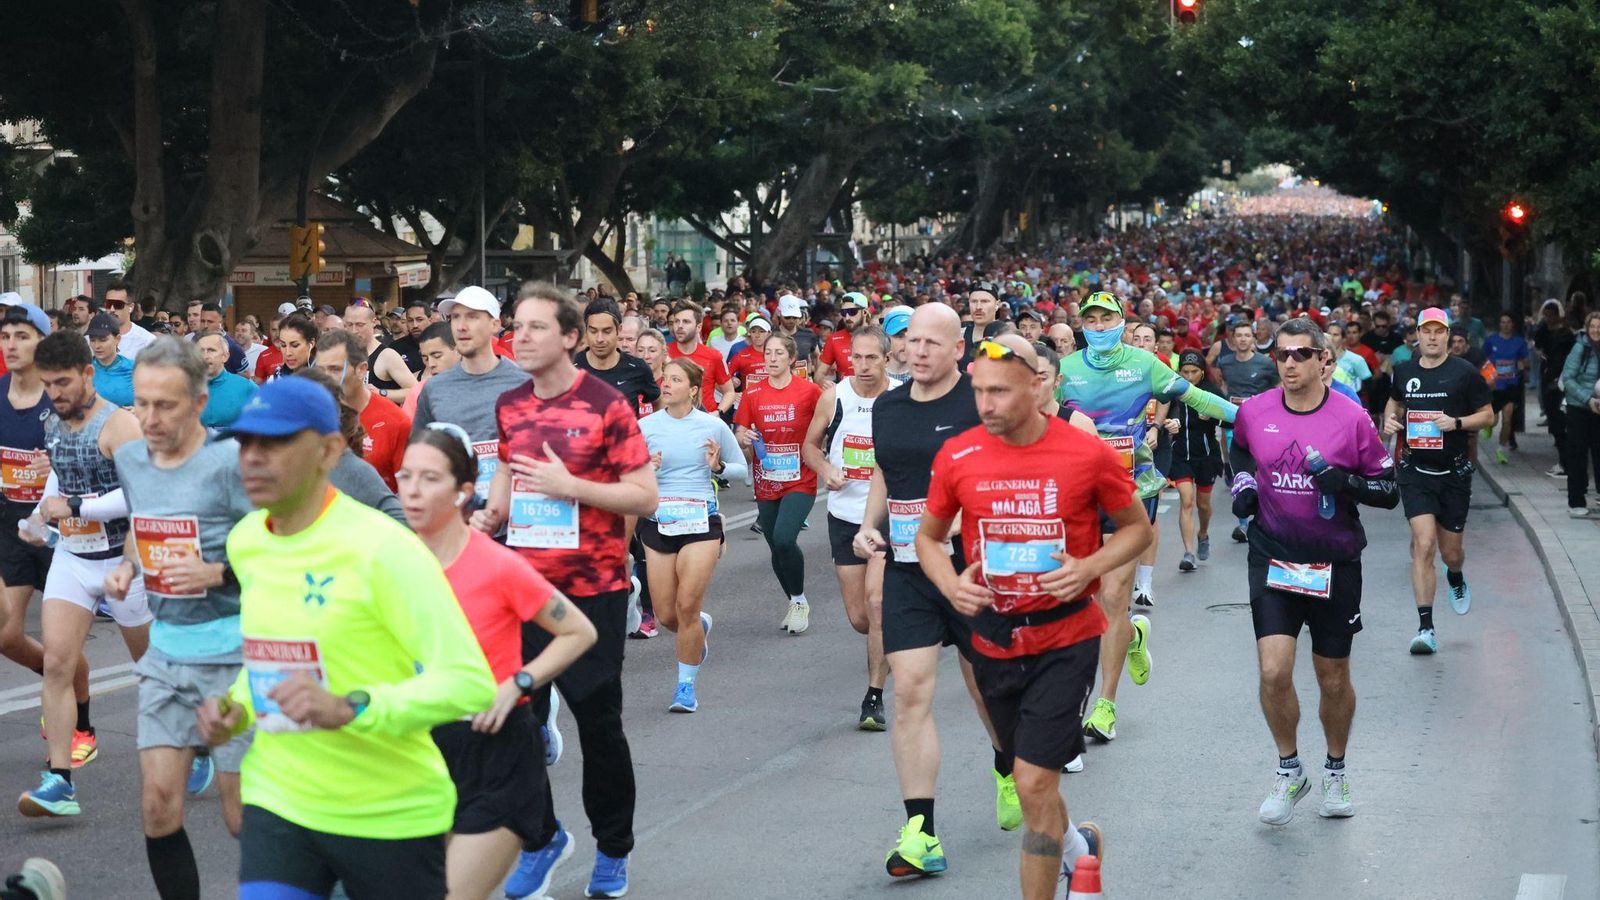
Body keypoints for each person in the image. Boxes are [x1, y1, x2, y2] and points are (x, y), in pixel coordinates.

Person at [194, 377, 496, 900]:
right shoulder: (247, 543)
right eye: (245, 443)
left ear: (329, 450)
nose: (253, 458)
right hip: (280, 797)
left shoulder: (385, 549)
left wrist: (354, 707)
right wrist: (236, 709)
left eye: (276, 442)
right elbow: (271, 657)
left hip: (387, 811)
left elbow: (469, 683)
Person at [918, 334, 1150, 900]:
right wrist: (951, 584)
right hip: (993, 638)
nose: (986, 404)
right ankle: (1079, 850)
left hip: (1066, 636)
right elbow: (927, 537)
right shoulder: (959, 455)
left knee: (1031, 778)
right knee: (1033, 788)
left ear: (1037, 385)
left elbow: (1139, 528)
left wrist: (1089, 564)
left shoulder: (1086, 453)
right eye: (978, 392)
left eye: (999, 391)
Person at [473, 283, 658, 900]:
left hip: (594, 591)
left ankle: (613, 849)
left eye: (534, 327)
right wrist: (492, 513)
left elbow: (644, 496)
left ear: (571, 338)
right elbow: (507, 465)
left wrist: (570, 484)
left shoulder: (606, 405)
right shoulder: (511, 404)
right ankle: (543, 835)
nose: (519, 337)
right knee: (513, 722)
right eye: (515, 327)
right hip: (523, 589)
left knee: (598, 726)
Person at [853, 304, 1019, 877]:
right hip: (906, 571)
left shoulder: (980, 406)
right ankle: (920, 832)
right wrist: (868, 525)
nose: (918, 351)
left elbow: (1010, 477)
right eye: (912, 341)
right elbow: (883, 470)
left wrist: (961, 518)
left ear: (958, 351)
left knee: (987, 689)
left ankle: (1007, 763)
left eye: (932, 343)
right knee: (910, 693)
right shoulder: (888, 406)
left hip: (972, 571)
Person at [398, 426, 596, 900]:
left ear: (464, 492)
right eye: (405, 476)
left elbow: (579, 631)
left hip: (495, 752)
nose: (412, 489)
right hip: (417, 752)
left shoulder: (496, 565)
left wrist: (518, 683)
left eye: (429, 478)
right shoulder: (390, 564)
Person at [103, 336, 256, 899]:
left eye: (165, 405)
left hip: (234, 655)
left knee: (242, 818)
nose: (148, 417)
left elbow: (279, 553)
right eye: (140, 403)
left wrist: (217, 574)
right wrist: (127, 566)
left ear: (198, 401)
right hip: (166, 653)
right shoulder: (131, 458)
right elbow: (145, 530)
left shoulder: (232, 465)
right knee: (158, 805)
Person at [1231, 318, 1398, 826]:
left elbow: (1388, 492)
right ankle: (1289, 770)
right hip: (1274, 556)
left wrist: (1342, 480)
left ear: (1324, 360)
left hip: (1335, 563)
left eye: (1301, 354)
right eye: (1281, 355)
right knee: (1273, 670)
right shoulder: (1256, 412)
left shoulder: (1351, 419)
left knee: (1332, 677)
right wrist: (1242, 484)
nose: (1289, 363)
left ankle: (1335, 769)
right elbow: (1239, 450)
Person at [1060, 291, 1236, 742]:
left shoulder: (1144, 364)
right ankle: (1134, 636)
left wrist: (1255, 418)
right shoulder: (1066, 371)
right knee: (1083, 599)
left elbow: (1197, 398)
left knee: (1114, 598)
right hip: (1076, 495)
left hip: (1132, 492)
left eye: (1107, 318)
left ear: (1121, 322)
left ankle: (1105, 705)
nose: (1098, 326)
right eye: (1091, 319)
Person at [18, 329, 152, 818]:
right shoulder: (53, 422)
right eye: (48, 384)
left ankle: (196, 743)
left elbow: (140, 497)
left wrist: (74, 505)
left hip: (124, 560)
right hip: (73, 558)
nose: (55, 393)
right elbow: (58, 476)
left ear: (88, 375)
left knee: (153, 670)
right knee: (57, 664)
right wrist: (37, 518)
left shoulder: (119, 426)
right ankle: (60, 780)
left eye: (64, 383)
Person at [0, 305, 92, 769]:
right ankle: (53, 675)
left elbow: (90, 462)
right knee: (5, 633)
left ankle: (83, 720)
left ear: (42, 341)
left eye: (21, 335)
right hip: (10, 527)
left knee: (63, 648)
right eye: (5, 336)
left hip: (60, 532)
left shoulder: (57, 402)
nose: (11, 344)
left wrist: (50, 469)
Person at [637, 358, 745, 712]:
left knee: (686, 605)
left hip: (701, 520)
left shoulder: (710, 426)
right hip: (659, 522)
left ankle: (685, 687)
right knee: (668, 615)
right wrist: (643, 468)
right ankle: (698, 628)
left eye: (675, 379)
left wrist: (719, 467)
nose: (665, 384)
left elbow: (744, 470)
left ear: (694, 389)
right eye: (664, 378)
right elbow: (624, 473)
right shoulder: (645, 425)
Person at [1383, 308, 1493, 653]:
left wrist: (1457, 423)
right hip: (1415, 470)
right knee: (1424, 544)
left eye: (1438, 331)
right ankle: (1426, 628)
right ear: (1417, 334)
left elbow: (1487, 416)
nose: (1432, 337)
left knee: (1451, 553)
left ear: (1447, 335)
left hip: (1454, 472)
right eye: (1426, 331)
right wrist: (1389, 420)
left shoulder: (1464, 373)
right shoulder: (1404, 371)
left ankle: (1456, 577)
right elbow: (1395, 403)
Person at [804, 326, 891, 729]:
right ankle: (892, 637)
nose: (865, 364)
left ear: (887, 359)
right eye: (858, 357)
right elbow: (809, 446)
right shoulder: (834, 396)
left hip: (889, 519)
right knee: (860, 618)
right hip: (844, 515)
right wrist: (826, 469)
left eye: (873, 357)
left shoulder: (902, 397)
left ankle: (874, 697)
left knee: (877, 606)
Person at [734, 333, 828, 634]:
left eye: (778, 353)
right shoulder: (753, 393)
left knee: (786, 538)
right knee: (775, 544)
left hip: (801, 477)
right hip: (767, 479)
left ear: (791, 358)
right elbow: (740, 430)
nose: (772, 358)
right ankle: (795, 600)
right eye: (768, 353)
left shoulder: (809, 391)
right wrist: (743, 437)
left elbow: (826, 423)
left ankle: (799, 602)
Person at [412, 287, 530, 507]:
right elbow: (417, 454)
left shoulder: (523, 384)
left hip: (514, 521)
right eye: (455, 317)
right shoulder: (434, 389)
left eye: (472, 317)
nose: (461, 326)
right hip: (455, 520)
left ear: (495, 325)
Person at [314, 329, 412, 492]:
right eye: (320, 370)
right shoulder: (308, 416)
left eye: (335, 369)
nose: (325, 379)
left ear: (361, 369)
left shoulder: (396, 422)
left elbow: (407, 494)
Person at [1214, 319, 1279, 544]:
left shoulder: (1266, 364)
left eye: (1246, 335)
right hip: (1234, 424)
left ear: (1253, 339)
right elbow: (1224, 388)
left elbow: (1277, 389)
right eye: (1238, 335)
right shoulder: (1225, 362)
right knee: (1242, 473)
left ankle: (1264, 517)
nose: (1242, 339)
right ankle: (1243, 523)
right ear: (1233, 339)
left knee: (1261, 472)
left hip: (1262, 426)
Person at [1166, 350, 1224, 572]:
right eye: (1184, 372)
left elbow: (1231, 421)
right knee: (1186, 500)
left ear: (1202, 372)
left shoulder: (1211, 392)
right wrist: (1168, 423)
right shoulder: (1173, 392)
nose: (1188, 377)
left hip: (1206, 456)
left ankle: (1203, 533)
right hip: (1180, 455)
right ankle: (1188, 553)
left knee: (1203, 505)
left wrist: (1213, 416)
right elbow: (1161, 415)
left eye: (1193, 372)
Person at [577, 298, 659, 418]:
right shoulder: (569, 366)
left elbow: (659, 402)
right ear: (586, 331)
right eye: (593, 331)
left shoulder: (638, 368)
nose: (599, 339)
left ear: (618, 330)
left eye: (607, 331)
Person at [1560, 311, 1600, 517]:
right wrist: (1588, 399)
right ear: (1587, 328)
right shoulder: (1580, 348)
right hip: (1579, 408)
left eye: (1599, 327)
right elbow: (1568, 379)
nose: (1596, 331)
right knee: (1577, 455)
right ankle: (1576, 501)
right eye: (1593, 327)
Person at [665, 300, 735, 415]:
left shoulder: (714, 356)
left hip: (706, 422)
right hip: (673, 421)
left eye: (686, 322)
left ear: (698, 327)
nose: (679, 326)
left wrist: (717, 413)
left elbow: (729, 392)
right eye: (676, 321)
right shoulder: (664, 353)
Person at [345, 300, 419, 407]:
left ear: (374, 322)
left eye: (360, 325)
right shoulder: (341, 353)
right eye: (349, 325)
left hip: (380, 420)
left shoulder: (387, 356)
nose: (354, 330)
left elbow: (415, 391)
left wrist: (381, 393)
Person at [1482, 312, 1529, 464]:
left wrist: (1523, 366)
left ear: (1513, 324)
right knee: (1493, 420)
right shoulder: (1491, 340)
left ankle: (1501, 449)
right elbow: (1483, 359)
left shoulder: (1519, 342)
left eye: (1508, 322)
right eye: (1503, 322)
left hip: (1511, 386)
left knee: (1507, 420)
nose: (1506, 325)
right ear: (1499, 324)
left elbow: (1525, 361)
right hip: (1495, 386)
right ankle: (1488, 426)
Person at [196, 331, 258, 429]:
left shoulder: (246, 387)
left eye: (211, 350)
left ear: (225, 356)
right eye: (200, 351)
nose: (205, 356)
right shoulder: (186, 388)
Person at [816, 292, 875, 383]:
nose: (847, 317)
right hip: (846, 395)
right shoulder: (834, 339)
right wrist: (824, 383)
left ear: (864, 312)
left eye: (852, 312)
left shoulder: (878, 337)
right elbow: (818, 375)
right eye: (843, 312)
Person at [86, 313, 135, 408]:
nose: (97, 346)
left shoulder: (134, 369)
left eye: (103, 340)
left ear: (117, 339)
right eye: (92, 340)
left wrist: (136, 411)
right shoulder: (84, 370)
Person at [103, 280, 156, 362]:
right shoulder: (92, 339)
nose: (112, 309)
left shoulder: (147, 341)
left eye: (118, 304)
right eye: (108, 304)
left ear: (131, 307)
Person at [265, 316, 317, 382]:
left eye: (295, 345)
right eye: (283, 345)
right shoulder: (275, 379)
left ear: (311, 344)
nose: (288, 353)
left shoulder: (325, 379)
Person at [883, 307, 913, 386]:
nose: (906, 342)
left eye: (910, 336)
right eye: (900, 336)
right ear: (886, 338)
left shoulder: (924, 376)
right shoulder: (875, 375)